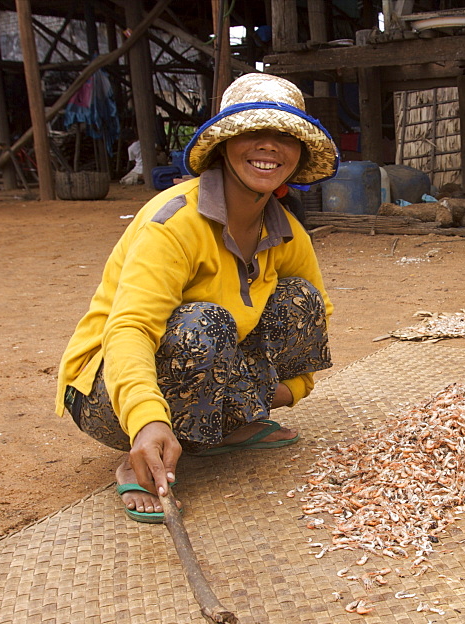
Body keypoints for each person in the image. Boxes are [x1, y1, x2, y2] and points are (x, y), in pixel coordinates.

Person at [55, 73, 339, 523]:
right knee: (203, 323)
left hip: (208, 371)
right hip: (106, 395)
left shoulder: (285, 230)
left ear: (298, 153)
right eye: (252, 133)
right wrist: (146, 418)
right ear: (225, 144)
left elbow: (316, 313)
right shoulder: (174, 222)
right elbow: (130, 329)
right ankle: (137, 457)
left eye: (284, 136)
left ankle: (223, 428)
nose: (269, 147)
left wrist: (291, 388)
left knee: (297, 298)